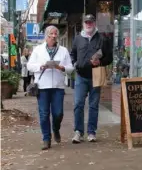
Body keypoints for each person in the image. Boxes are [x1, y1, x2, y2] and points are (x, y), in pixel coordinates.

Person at [27, 25, 74, 150]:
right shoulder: (38, 50)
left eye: (55, 34)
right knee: (44, 114)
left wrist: (61, 67)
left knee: (58, 113)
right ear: (46, 36)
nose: (53, 36)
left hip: (58, 86)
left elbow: (70, 68)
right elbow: (29, 66)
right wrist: (41, 66)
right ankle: (46, 139)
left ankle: (56, 129)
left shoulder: (63, 50)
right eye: (51, 34)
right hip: (42, 86)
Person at [70, 14, 112, 143]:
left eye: (91, 22)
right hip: (81, 76)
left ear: (94, 23)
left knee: (93, 105)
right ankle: (78, 132)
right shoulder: (77, 39)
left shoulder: (102, 39)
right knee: (78, 104)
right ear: (83, 24)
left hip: (96, 75)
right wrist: (74, 63)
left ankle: (91, 132)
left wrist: (100, 62)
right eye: (86, 22)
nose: (89, 24)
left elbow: (109, 58)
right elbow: (73, 54)